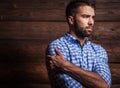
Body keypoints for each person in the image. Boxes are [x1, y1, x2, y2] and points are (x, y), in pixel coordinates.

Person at [46, 0, 111, 88]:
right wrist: (94, 82)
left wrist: (65, 65)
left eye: (93, 17)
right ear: (71, 20)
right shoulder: (57, 47)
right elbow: (70, 86)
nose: (91, 22)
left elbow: (104, 85)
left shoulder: (99, 50)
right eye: (85, 17)